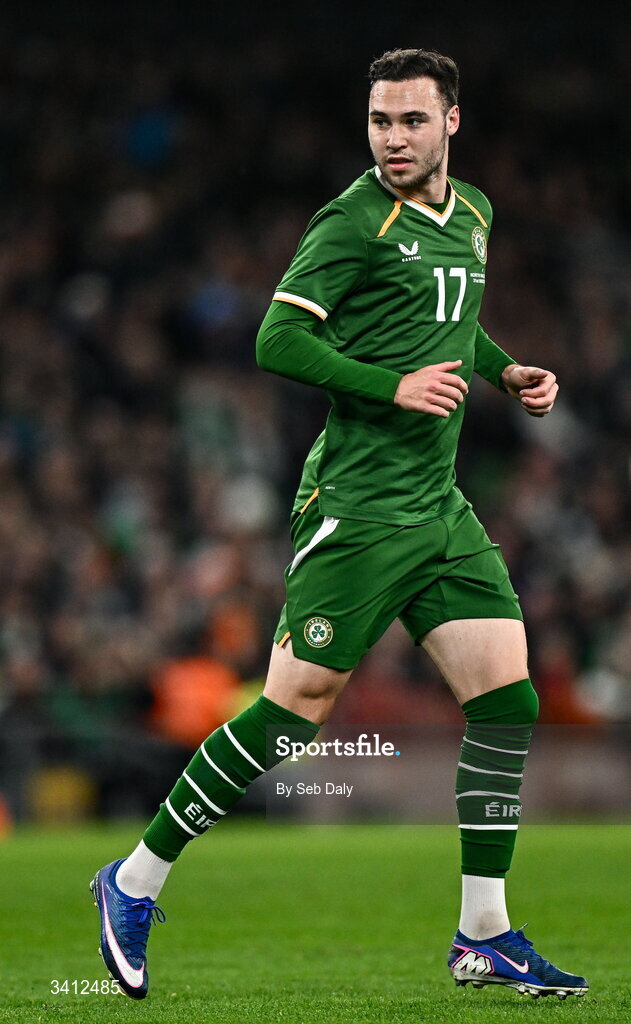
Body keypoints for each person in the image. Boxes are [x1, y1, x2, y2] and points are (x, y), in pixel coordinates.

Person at [91, 47, 588, 1001]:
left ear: (451, 122)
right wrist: (390, 387)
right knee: (293, 714)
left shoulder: (474, 213)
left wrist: (504, 369)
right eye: (378, 122)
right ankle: (134, 877)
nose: (391, 139)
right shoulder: (353, 220)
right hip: (357, 506)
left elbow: (450, 318)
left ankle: (483, 930)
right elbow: (276, 337)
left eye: (409, 120)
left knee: (507, 696)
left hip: (435, 506)